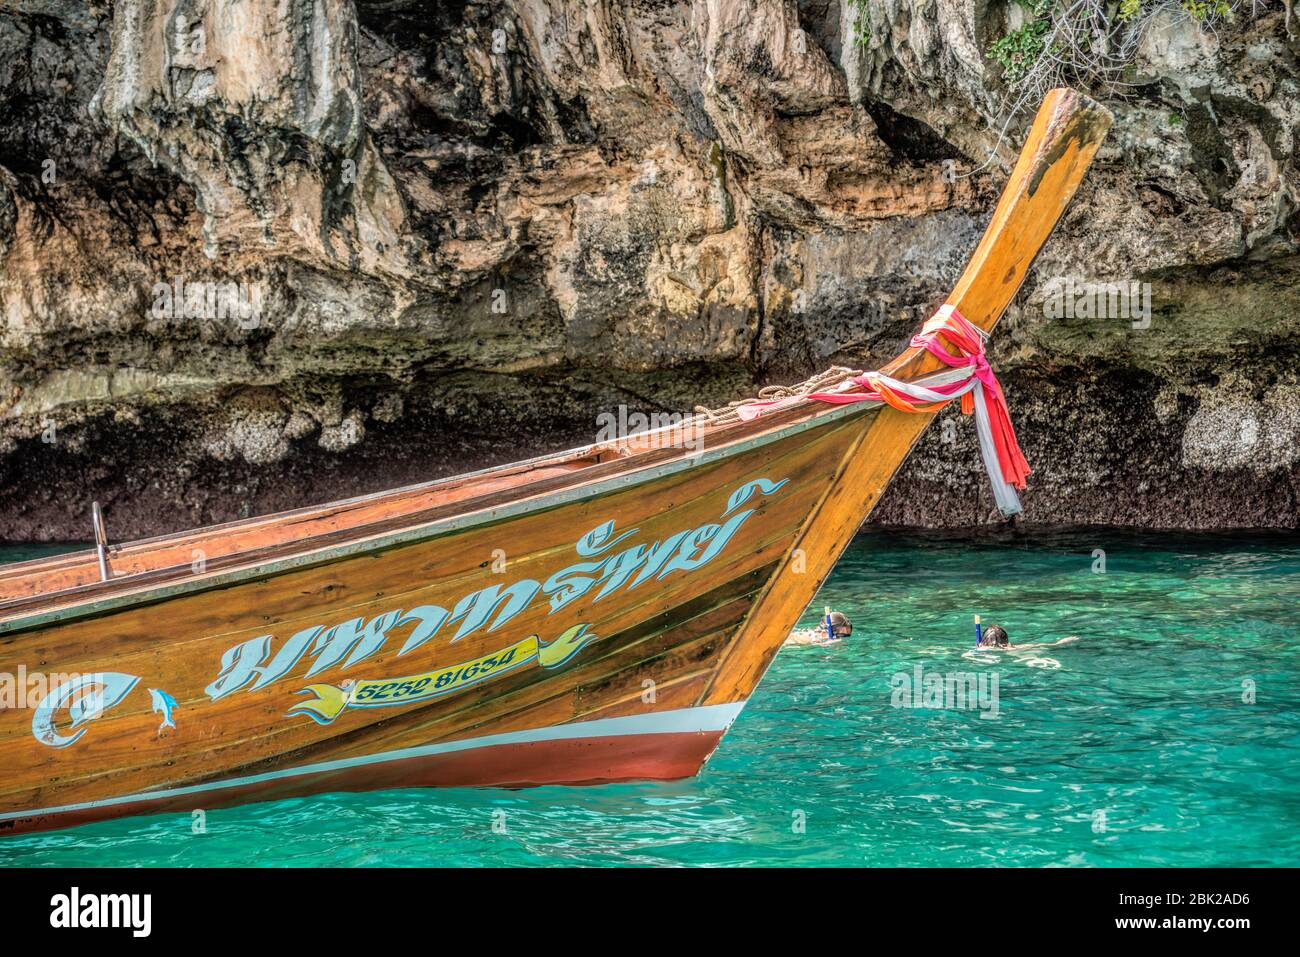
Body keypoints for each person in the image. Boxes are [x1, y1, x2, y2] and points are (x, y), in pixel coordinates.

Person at [978, 624, 1078, 650]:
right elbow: (1039, 645)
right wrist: (1059, 643)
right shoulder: (1010, 648)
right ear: (1006, 640)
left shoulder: (981, 649)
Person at [785, 611, 853, 646]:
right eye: (839, 637)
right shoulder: (806, 640)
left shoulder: (816, 637)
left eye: (847, 636)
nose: (841, 640)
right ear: (824, 634)